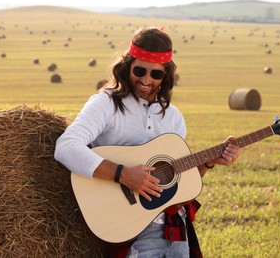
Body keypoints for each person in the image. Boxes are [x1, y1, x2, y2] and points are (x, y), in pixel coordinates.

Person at [54, 26, 240, 258]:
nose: (145, 80)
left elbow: (174, 182)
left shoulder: (173, 117)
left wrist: (209, 162)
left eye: (156, 74)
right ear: (127, 66)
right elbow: (66, 146)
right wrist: (122, 174)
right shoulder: (105, 104)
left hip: (174, 227)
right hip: (129, 226)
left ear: (166, 75)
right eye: (139, 70)